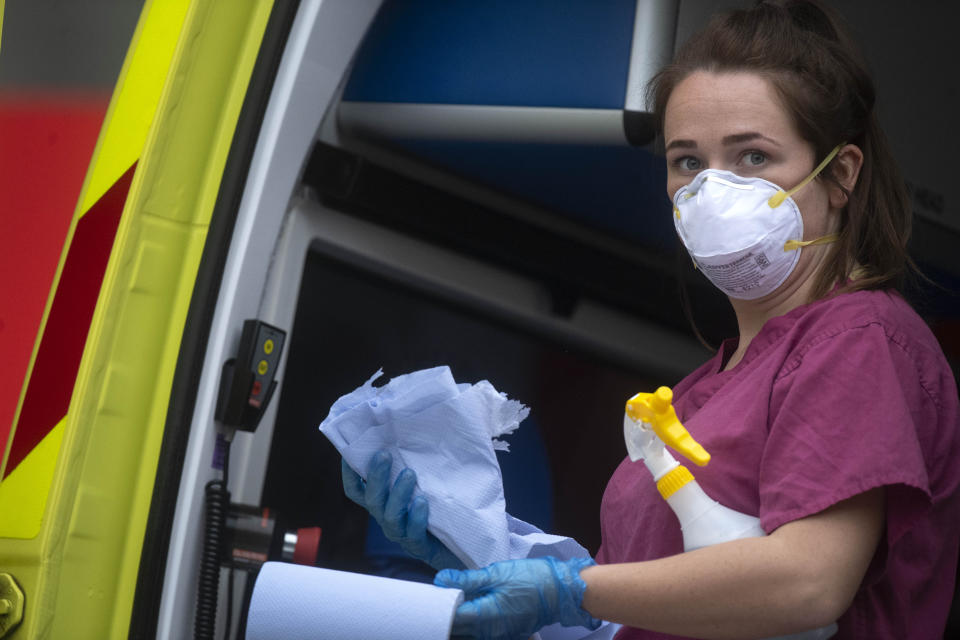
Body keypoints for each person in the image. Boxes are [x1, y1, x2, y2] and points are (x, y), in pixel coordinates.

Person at [340, 1, 960, 638]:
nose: (714, 190)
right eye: (688, 161)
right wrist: (470, 554)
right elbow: (631, 616)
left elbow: (808, 582)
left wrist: (569, 591)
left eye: (753, 157)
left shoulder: (860, 340)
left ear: (842, 175)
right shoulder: (700, 393)